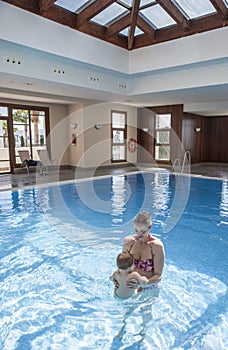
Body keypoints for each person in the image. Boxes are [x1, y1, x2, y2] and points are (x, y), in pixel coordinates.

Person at [121, 211, 165, 290]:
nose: (139, 234)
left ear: (150, 227)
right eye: (136, 230)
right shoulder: (128, 242)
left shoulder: (156, 246)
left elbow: (158, 276)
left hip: (149, 287)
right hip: (130, 285)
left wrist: (144, 283)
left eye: (143, 231)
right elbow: (122, 267)